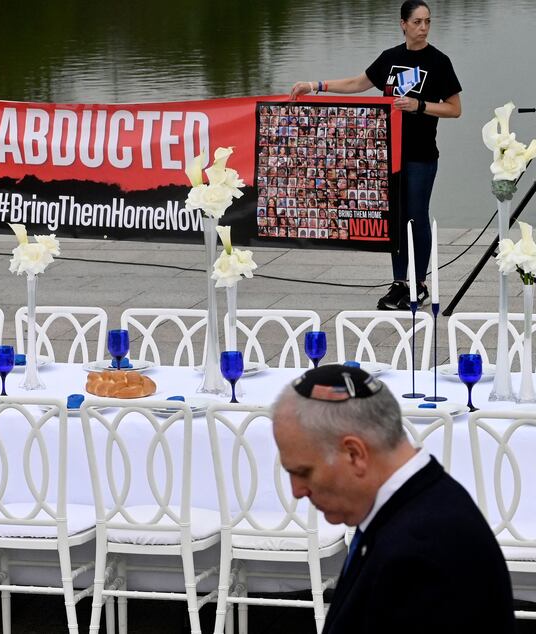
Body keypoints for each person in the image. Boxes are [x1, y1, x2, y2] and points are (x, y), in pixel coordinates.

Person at [271, 365, 514, 633]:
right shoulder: (411, 508)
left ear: (354, 454)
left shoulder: (421, 556)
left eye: (303, 472)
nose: (296, 490)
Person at [290, 0, 461, 310]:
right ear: (403, 24)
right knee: (396, 219)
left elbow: (454, 109)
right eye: (418, 22)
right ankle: (399, 284)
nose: (423, 28)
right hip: (390, 154)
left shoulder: (439, 62)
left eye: (428, 22)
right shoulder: (390, 58)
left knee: (416, 216)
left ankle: (419, 283)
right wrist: (314, 85)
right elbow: (358, 83)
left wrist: (419, 106)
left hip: (422, 155)